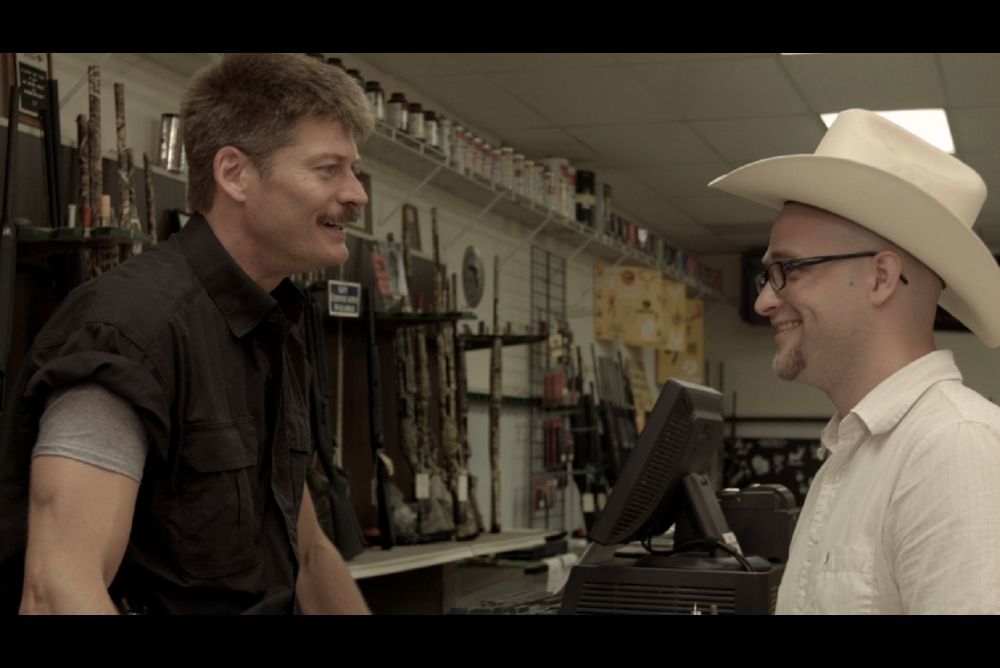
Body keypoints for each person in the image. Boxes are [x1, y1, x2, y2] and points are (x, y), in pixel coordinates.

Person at [0, 53, 373, 614]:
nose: (357, 194)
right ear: (234, 173)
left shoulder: (272, 326)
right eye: (328, 169)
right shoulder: (129, 330)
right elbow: (57, 590)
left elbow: (311, 554)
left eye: (352, 170)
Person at [710, 109, 1000, 614]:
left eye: (787, 269)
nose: (764, 301)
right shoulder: (854, 453)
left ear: (881, 279)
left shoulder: (953, 448)